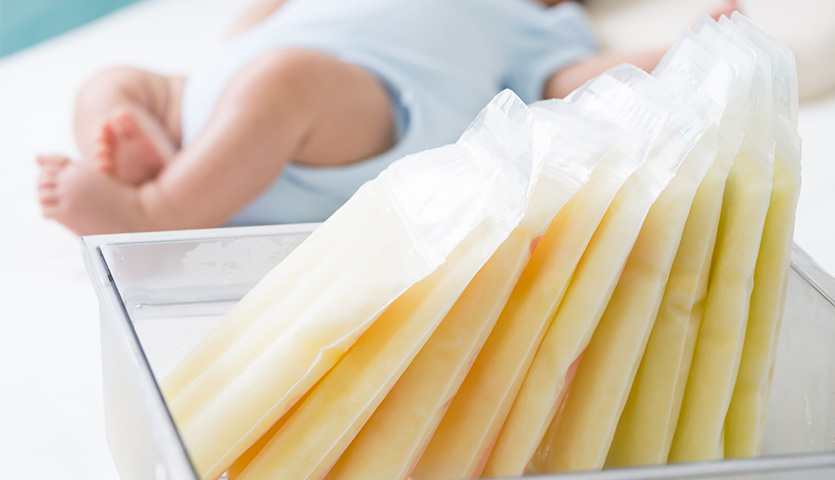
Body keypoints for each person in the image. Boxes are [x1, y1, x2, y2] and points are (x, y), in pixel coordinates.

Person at [36, 0, 737, 235]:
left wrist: (686, 45)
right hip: (212, 100)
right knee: (111, 82)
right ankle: (160, 149)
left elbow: (579, 84)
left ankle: (157, 209)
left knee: (284, 83)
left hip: (358, 114)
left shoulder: (541, 29)